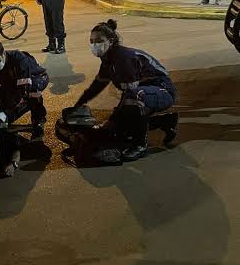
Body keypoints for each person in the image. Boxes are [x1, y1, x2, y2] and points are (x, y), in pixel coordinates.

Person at [74, 19, 177, 161]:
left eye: (99, 41)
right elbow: (96, 87)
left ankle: (140, 146)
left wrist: (113, 118)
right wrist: (77, 106)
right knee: (118, 129)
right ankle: (165, 121)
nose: (94, 45)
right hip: (143, 93)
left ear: (111, 41)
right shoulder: (108, 60)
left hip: (162, 91)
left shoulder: (124, 58)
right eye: (91, 41)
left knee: (132, 103)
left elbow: (130, 94)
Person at [0, 39, 49, 141]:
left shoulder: (19, 58)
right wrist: (1, 112)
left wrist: (7, 113)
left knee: (31, 94)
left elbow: (23, 91)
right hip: (15, 80)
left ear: (3, 54)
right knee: (8, 102)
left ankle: (39, 121)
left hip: (37, 78)